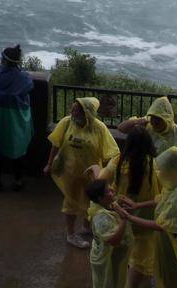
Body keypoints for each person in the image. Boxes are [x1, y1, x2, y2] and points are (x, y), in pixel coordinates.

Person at [117, 146, 177, 288]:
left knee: (175, 280)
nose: (160, 174)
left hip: (174, 246)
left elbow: (162, 225)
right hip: (171, 242)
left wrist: (129, 217)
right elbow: (162, 198)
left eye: (162, 171)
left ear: (171, 171)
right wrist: (138, 205)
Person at [45, 97, 120, 249]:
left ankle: (86, 227)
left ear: (87, 113)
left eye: (76, 111)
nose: (72, 113)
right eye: (72, 110)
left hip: (91, 174)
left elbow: (112, 152)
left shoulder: (99, 128)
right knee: (70, 201)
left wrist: (108, 172)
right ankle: (71, 234)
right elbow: (56, 144)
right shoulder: (67, 123)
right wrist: (49, 163)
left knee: (91, 201)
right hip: (70, 173)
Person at [91, 127, 161, 287]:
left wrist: (95, 169)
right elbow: (162, 197)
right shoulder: (153, 167)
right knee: (141, 262)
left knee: (120, 259)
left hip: (120, 219)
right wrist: (139, 205)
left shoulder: (118, 161)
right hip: (144, 221)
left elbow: (101, 180)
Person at [0, 44, 34, 192]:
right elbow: (28, 87)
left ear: (3, 60)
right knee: (18, 147)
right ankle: (18, 181)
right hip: (17, 116)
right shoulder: (23, 78)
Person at [117, 96, 177, 176]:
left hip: (166, 177)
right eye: (153, 118)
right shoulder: (147, 124)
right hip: (145, 173)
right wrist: (138, 121)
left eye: (159, 119)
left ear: (167, 119)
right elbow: (121, 128)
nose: (155, 122)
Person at [85, 178, 130, 288]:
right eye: (108, 191)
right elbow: (114, 240)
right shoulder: (101, 218)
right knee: (109, 283)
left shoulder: (100, 203)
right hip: (107, 259)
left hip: (107, 254)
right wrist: (124, 219)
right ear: (100, 198)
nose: (112, 190)